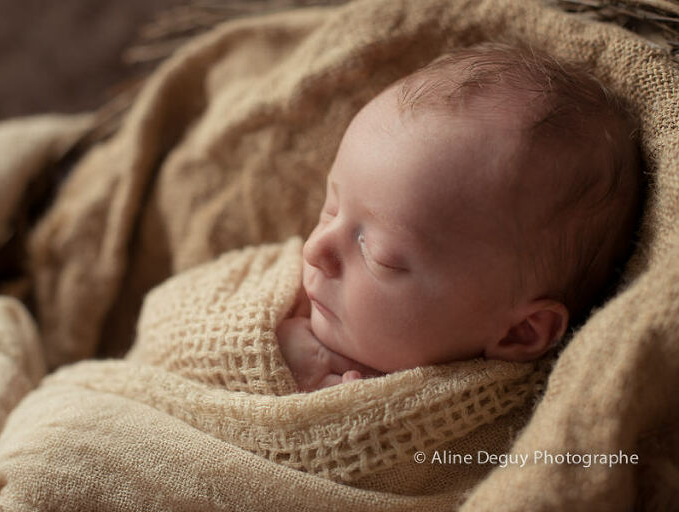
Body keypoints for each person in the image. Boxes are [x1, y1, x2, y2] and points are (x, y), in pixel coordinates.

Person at [276, 42, 643, 392]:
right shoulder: (280, 301)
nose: (314, 250)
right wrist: (273, 362)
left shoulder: (496, 431)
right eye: (331, 209)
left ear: (521, 332)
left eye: (378, 254)